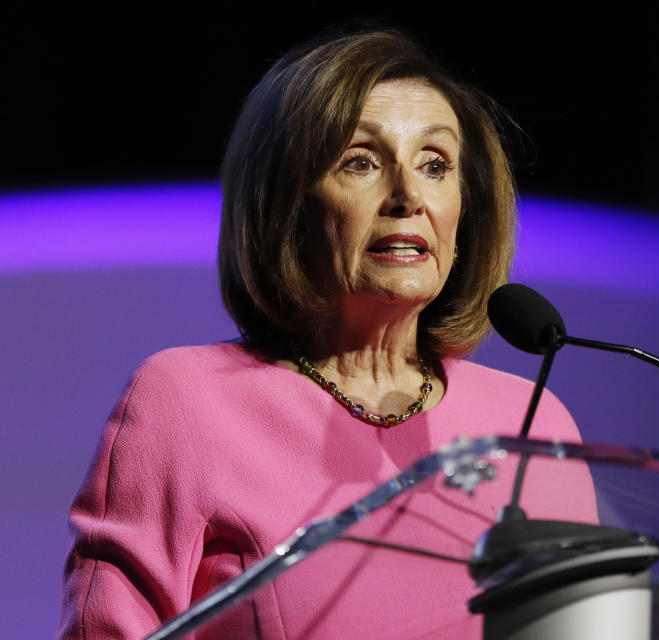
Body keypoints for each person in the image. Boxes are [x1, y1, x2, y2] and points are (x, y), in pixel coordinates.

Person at [57, 29, 597, 639]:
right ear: (285, 202)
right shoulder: (185, 402)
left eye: (435, 165)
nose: (407, 196)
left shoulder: (534, 423)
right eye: (360, 161)